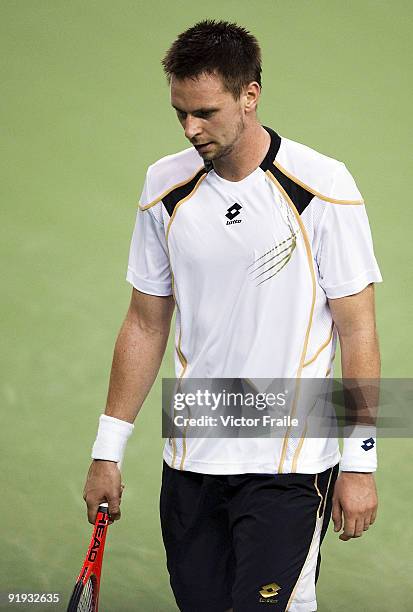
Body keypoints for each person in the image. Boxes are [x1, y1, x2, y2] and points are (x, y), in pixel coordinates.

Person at [83, 20, 382, 612]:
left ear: (251, 96)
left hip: (291, 466)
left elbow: (359, 331)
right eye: (180, 114)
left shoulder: (323, 187)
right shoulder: (163, 189)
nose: (191, 128)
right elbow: (145, 322)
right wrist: (106, 449)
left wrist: (362, 462)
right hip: (191, 458)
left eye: (206, 112)